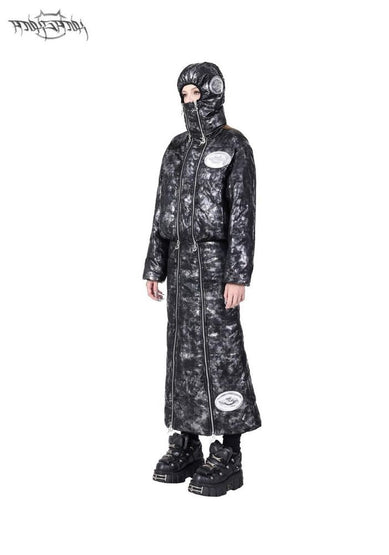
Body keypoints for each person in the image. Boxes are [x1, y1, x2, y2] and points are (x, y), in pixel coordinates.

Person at [142, 62, 261, 496]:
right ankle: (187, 441)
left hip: (216, 266)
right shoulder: (176, 148)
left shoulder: (234, 145)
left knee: (222, 354)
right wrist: (155, 266)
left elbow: (244, 214)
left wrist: (238, 274)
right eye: (184, 95)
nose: (190, 102)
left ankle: (229, 451)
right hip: (180, 269)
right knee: (183, 356)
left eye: (197, 93)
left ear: (215, 92)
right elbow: (162, 210)